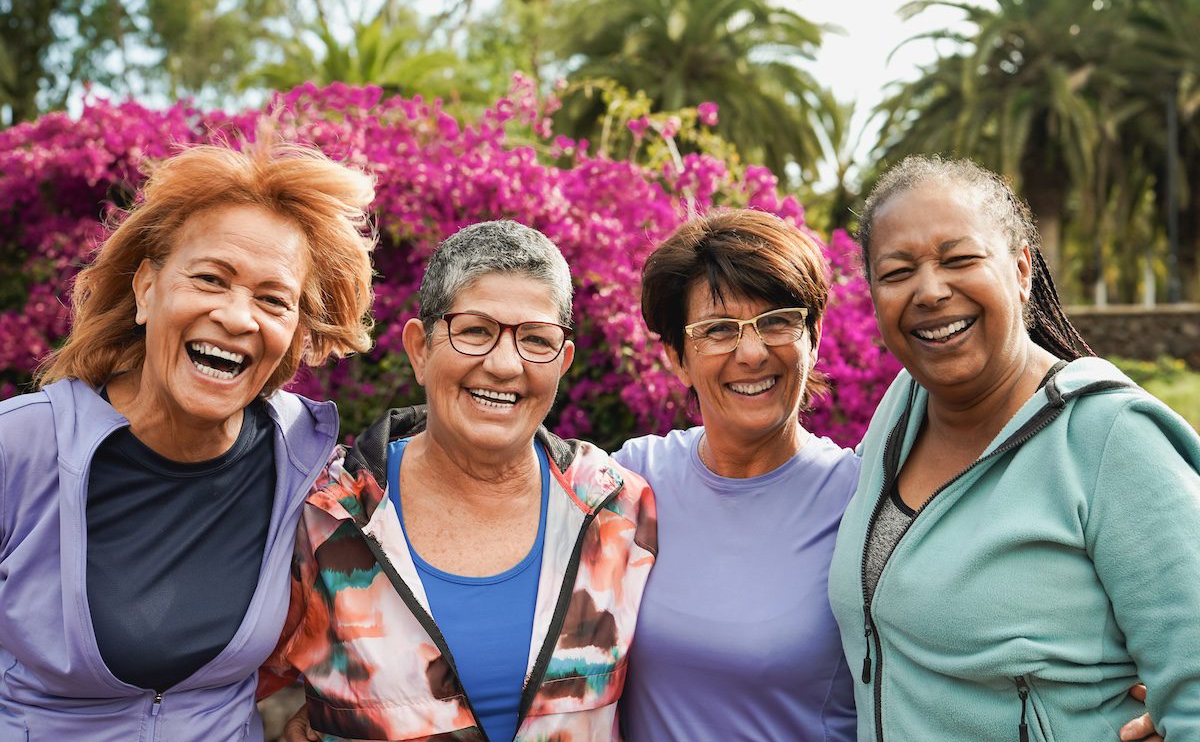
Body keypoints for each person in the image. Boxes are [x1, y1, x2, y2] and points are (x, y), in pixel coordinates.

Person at [0, 135, 377, 740]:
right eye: (209, 279)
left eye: (272, 299)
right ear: (146, 289)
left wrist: (334, 713)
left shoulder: (307, 463)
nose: (235, 316)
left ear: (297, 334)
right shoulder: (20, 447)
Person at [828, 155, 1200, 740]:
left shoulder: (1109, 438)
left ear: (1022, 269)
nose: (929, 290)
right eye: (897, 272)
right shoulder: (901, 409)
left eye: (960, 259)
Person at [261, 220, 657, 742]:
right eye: (475, 331)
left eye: (536, 339)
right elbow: (212, 684)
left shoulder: (617, 511)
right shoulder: (325, 514)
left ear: (562, 363)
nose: (504, 364)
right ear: (420, 348)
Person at [614, 210, 858, 741]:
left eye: (777, 321)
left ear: (812, 338)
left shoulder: (859, 499)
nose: (751, 353)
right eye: (718, 330)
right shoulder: (635, 478)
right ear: (678, 358)